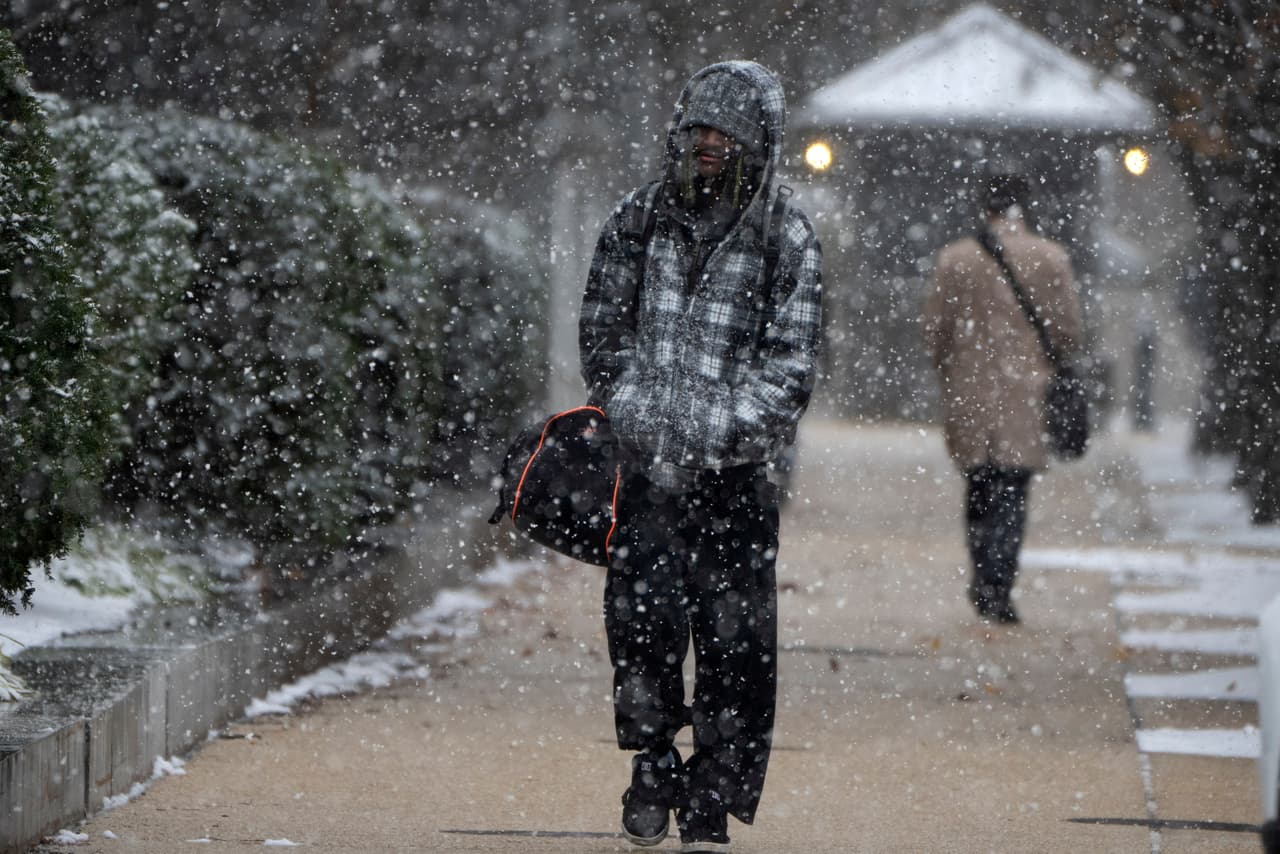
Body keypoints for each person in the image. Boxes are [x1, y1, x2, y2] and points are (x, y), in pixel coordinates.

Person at [578, 61, 822, 852]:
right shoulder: (635, 220)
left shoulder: (787, 235)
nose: (708, 144)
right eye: (698, 129)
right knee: (642, 630)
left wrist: (723, 432)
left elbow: (791, 364)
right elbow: (604, 338)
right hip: (645, 473)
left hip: (736, 479)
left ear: (758, 143)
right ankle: (651, 761)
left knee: (736, 645)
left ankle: (713, 792)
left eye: (726, 133)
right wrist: (641, 417)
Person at [923, 173, 1083, 625]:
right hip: (1025, 394)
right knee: (1013, 489)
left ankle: (981, 573)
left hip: (969, 392)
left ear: (984, 207)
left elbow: (935, 331)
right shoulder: (1051, 258)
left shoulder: (955, 259)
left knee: (978, 485)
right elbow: (1069, 332)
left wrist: (952, 371)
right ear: (1023, 206)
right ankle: (1000, 583)